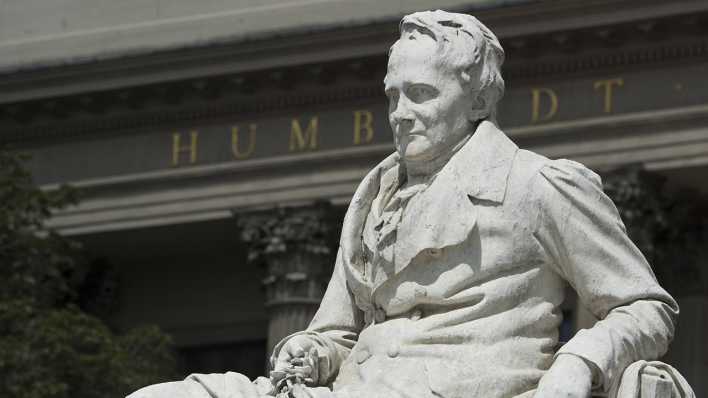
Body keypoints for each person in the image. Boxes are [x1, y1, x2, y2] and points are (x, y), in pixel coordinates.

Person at [128, 10, 679, 398]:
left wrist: (579, 362)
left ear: (479, 100)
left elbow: (646, 308)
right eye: (394, 95)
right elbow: (338, 333)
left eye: (421, 94)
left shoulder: (538, 186)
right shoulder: (374, 198)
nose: (400, 113)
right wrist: (308, 351)